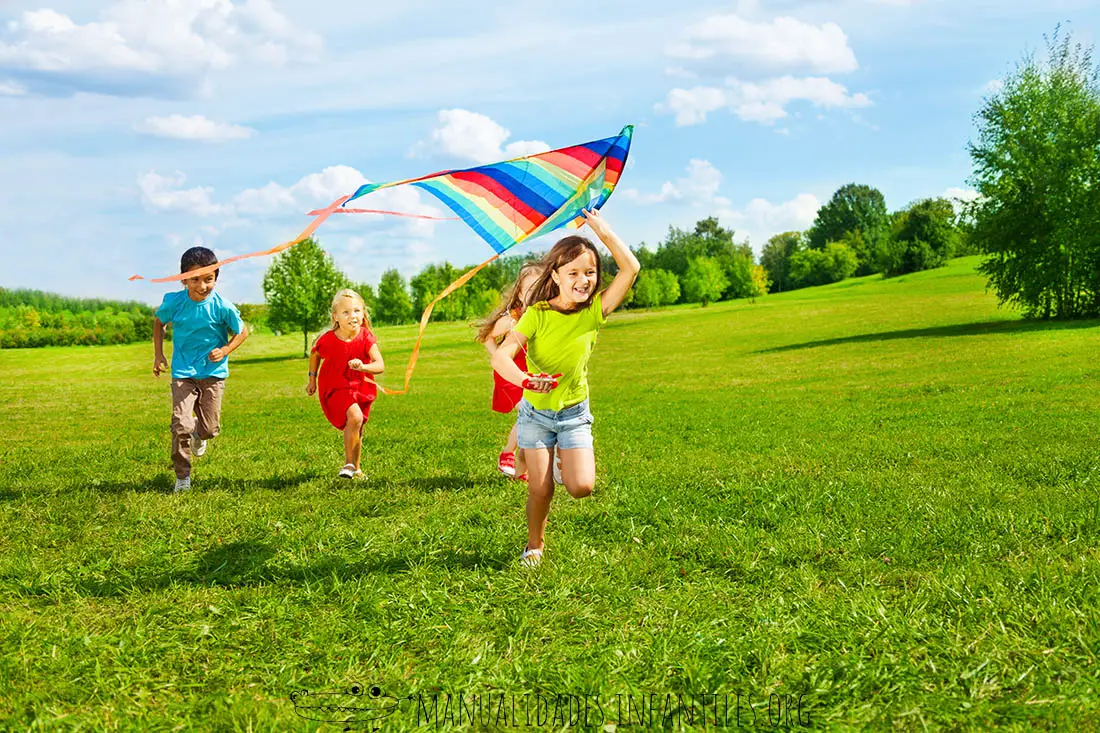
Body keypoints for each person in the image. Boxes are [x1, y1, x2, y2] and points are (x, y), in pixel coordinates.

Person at [491, 209, 640, 566]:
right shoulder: (538, 313)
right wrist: (527, 380)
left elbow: (631, 269)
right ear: (555, 275)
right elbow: (502, 357)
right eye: (573, 272)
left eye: (590, 272)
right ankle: (534, 546)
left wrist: (602, 230)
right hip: (536, 415)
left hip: (573, 415)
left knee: (581, 487)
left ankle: (564, 460)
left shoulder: (594, 311)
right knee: (540, 487)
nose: (583, 279)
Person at [153, 246, 249, 493]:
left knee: (209, 429)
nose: (202, 285)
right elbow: (159, 322)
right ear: (183, 278)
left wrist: (225, 350)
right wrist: (158, 354)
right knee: (180, 424)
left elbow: (242, 331)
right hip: (183, 372)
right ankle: (182, 476)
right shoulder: (174, 302)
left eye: (209, 279)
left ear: (216, 278)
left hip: (213, 373)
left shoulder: (222, 306)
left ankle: (199, 433)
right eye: (195, 279)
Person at [306, 289, 385, 479]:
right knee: (355, 417)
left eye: (357, 311)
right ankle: (349, 464)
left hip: (360, 387)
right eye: (346, 312)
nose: (353, 316)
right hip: (335, 386)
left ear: (363, 313)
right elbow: (315, 355)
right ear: (336, 317)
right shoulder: (328, 340)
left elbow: (380, 365)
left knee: (358, 425)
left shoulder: (366, 337)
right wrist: (312, 379)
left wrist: (363, 366)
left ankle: (356, 469)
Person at [476, 262, 543, 481]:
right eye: (529, 289)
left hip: (528, 373)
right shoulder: (511, 319)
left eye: (540, 288)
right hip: (509, 373)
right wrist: (498, 357)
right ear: (519, 293)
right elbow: (486, 337)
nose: (535, 294)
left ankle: (521, 470)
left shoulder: (543, 314)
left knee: (534, 416)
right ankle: (507, 453)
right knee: (528, 411)